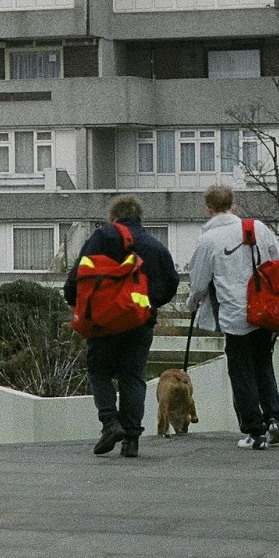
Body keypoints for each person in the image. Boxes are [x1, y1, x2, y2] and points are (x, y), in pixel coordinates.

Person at [63, 195, 179, 458]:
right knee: (133, 377)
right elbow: (171, 283)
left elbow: (78, 274)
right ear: (140, 218)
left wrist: (74, 301)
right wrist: (148, 304)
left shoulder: (103, 236)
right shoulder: (156, 246)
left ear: (112, 218)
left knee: (100, 371)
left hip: (103, 321)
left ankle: (110, 422)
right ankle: (132, 441)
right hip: (139, 323)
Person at [187, 184, 279, 450]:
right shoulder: (257, 228)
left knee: (241, 372)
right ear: (234, 206)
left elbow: (198, 284)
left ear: (208, 209)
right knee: (263, 364)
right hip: (265, 312)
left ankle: (255, 432)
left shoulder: (208, 240)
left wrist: (192, 304)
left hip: (234, 315)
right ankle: (274, 419)